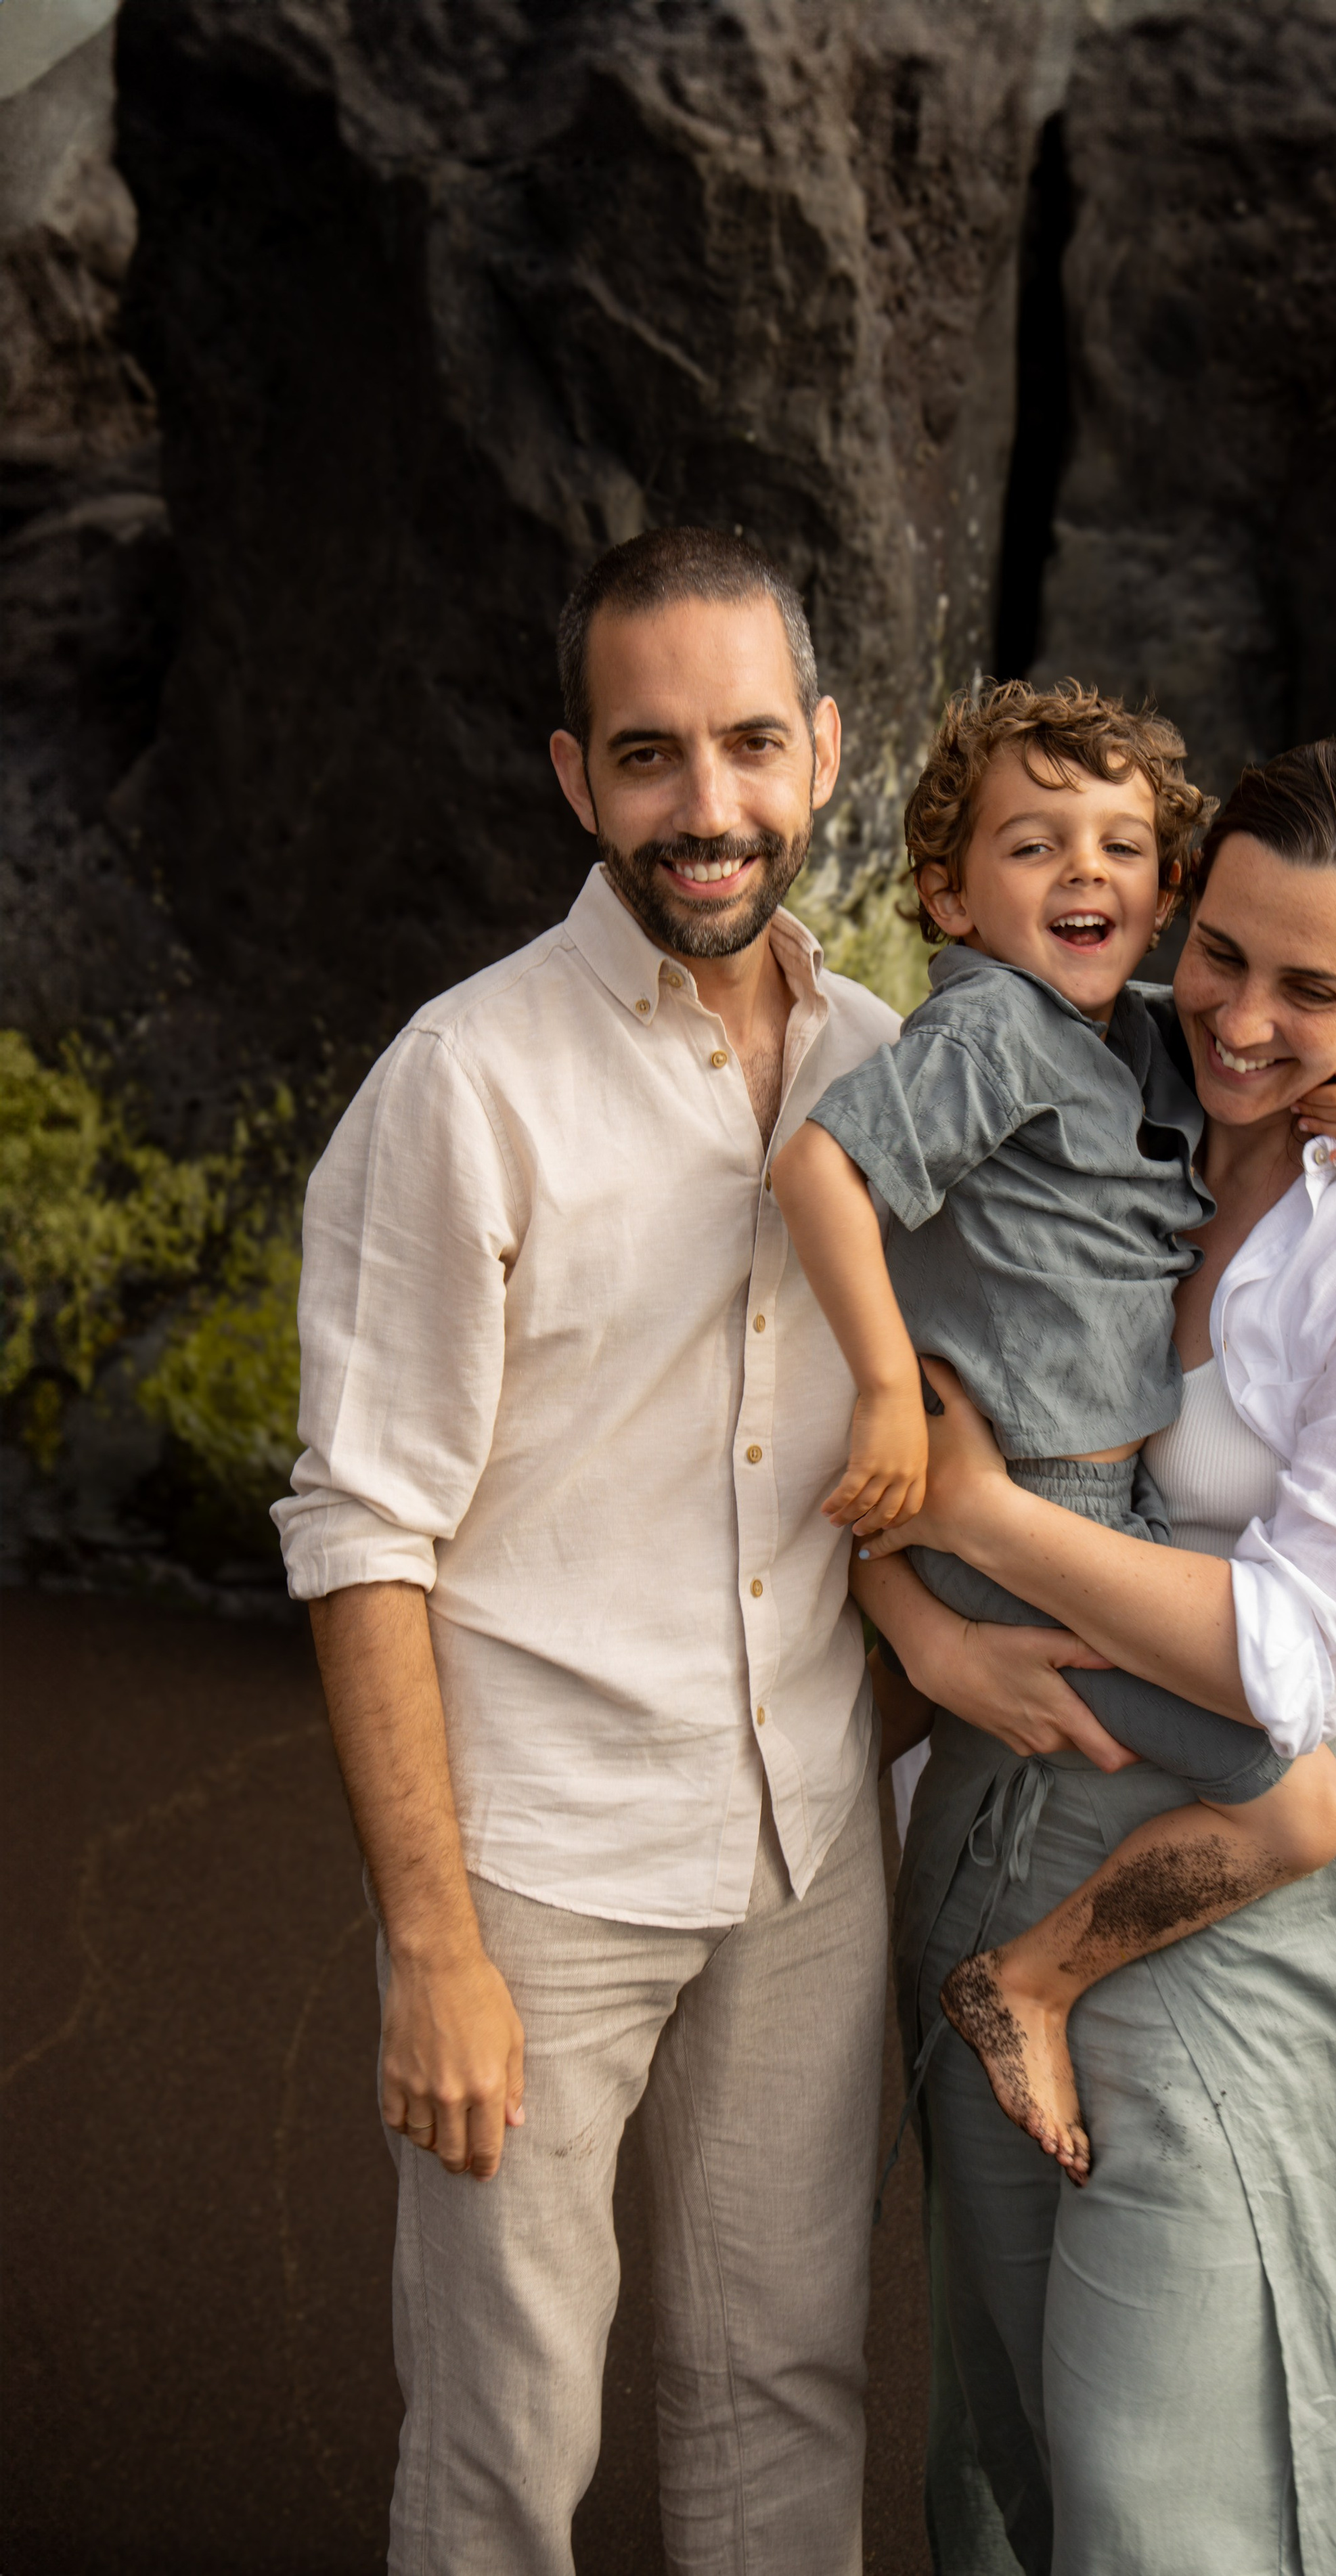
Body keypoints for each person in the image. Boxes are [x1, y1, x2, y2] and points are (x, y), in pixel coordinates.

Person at [853, 729, 1336, 2576]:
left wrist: (991, 1520)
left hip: (1229, 1895)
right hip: (1000, 1818)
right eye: (1222, 949)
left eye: (1316, 987)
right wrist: (926, 1617)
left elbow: (1288, 1659)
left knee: (1169, 2499)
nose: (1239, 1013)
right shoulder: (1100, 1079)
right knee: (1002, 2463)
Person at [273, 527, 904, 2576]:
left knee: (786, 2393)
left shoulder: (890, 1067)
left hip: (808, 1849)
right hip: (536, 1873)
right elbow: (365, 1533)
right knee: (503, 2445)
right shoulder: (461, 1085)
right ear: (574, 776)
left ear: (823, 752)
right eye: (649, 757)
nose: (704, 808)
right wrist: (434, 1949)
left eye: (745, 746)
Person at [772, 682, 1336, 2173]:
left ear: (1166, 895)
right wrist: (885, 1386)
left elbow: (1275, 1041)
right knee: (1301, 1804)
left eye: (1123, 845)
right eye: (1033, 843)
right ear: (946, 890)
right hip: (1021, 1514)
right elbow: (819, 1172)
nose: (1085, 871)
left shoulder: (1129, 1037)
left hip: (1081, 1513)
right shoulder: (993, 1032)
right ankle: (1025, 1981)